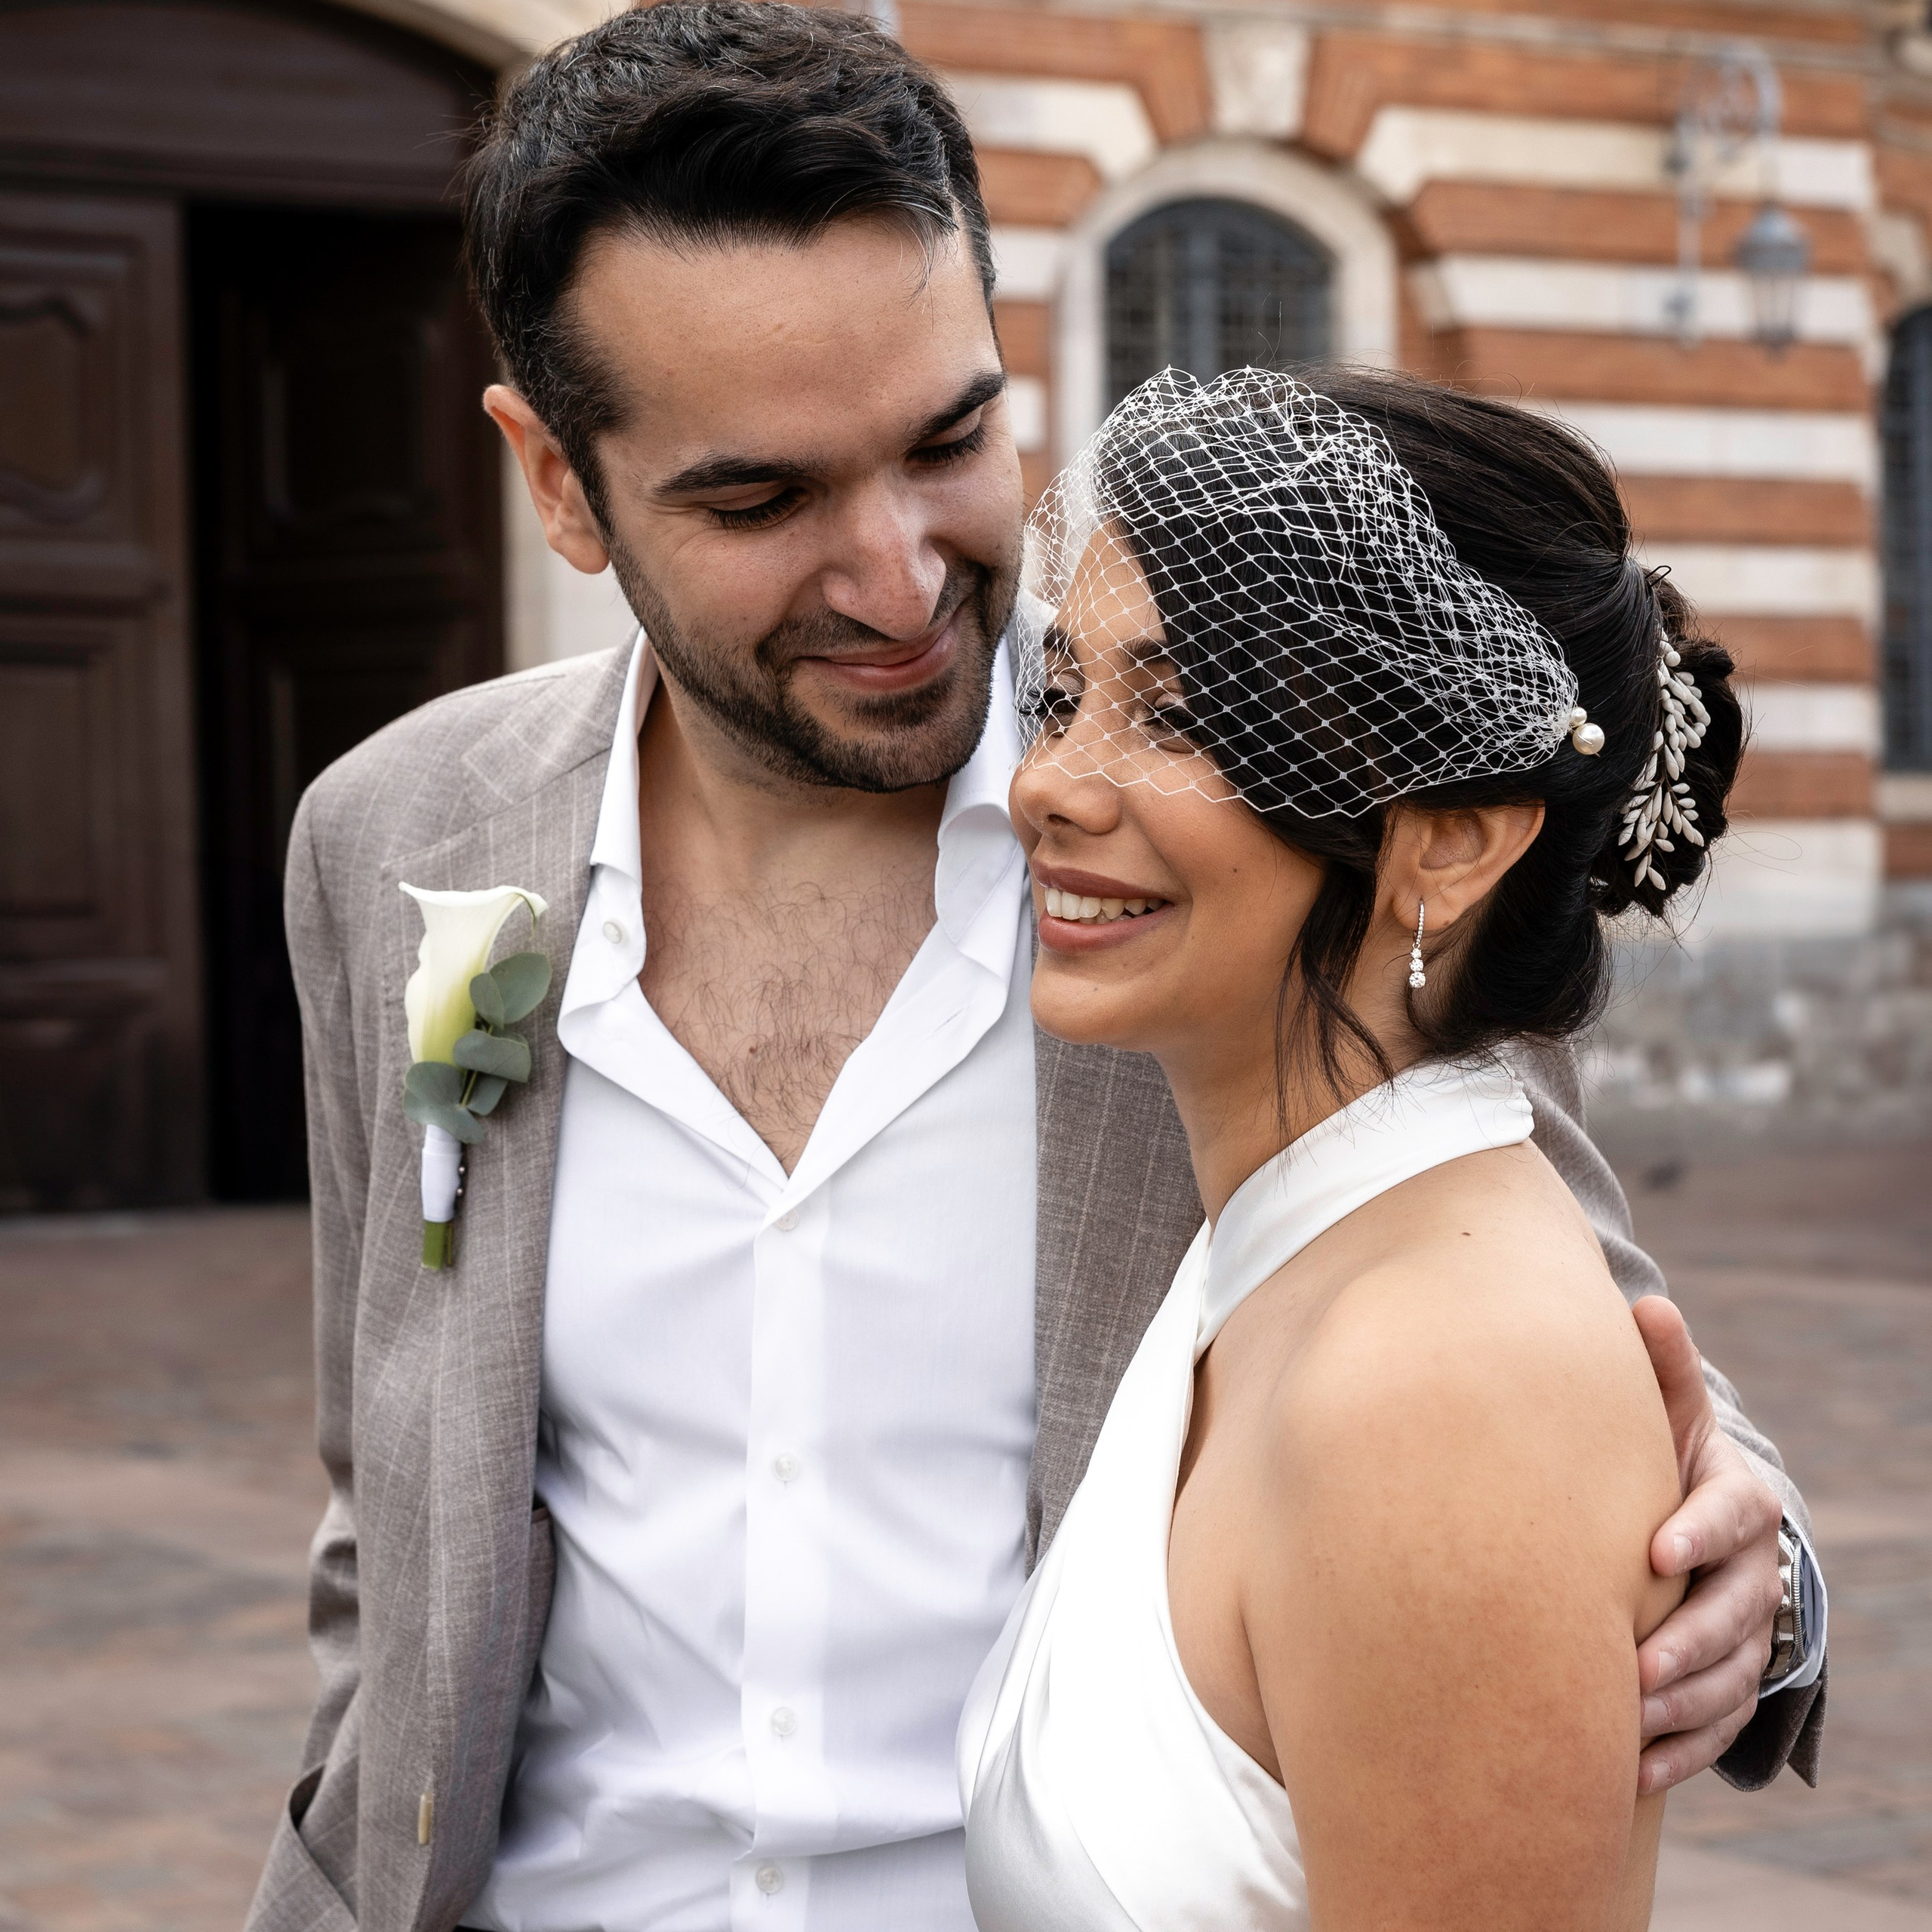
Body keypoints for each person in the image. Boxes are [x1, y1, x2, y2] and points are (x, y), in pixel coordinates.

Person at [245, 9, 1823, 1931]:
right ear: (559, 483)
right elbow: (389, 1468)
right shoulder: (397, 839)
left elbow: (1520, 1310)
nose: (901, 577)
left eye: (947, 440)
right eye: (760, 501)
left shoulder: (1257, 854)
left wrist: (1751, 1562)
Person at [958, 365, 1780, 1929]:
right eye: (1065, 692)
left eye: (1177, 715)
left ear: (1451, 838)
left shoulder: (1432, 1380)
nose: (1047, 783)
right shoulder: (1274, 1255)